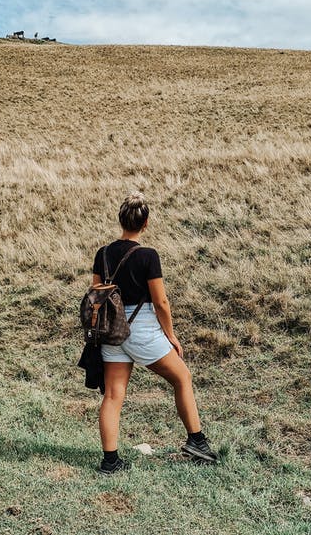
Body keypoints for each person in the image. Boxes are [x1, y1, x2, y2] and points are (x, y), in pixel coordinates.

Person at [92, 192, 217, 475]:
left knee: (113, 395)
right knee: (182, 377)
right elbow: (160, 302)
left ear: (120, 220)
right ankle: (196, 441)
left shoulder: (103, 254)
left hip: (111, 329)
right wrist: (171, 335)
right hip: (142, 327)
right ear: (145, 223)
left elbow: (95, 293)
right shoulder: (148, 256)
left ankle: (110, 462)